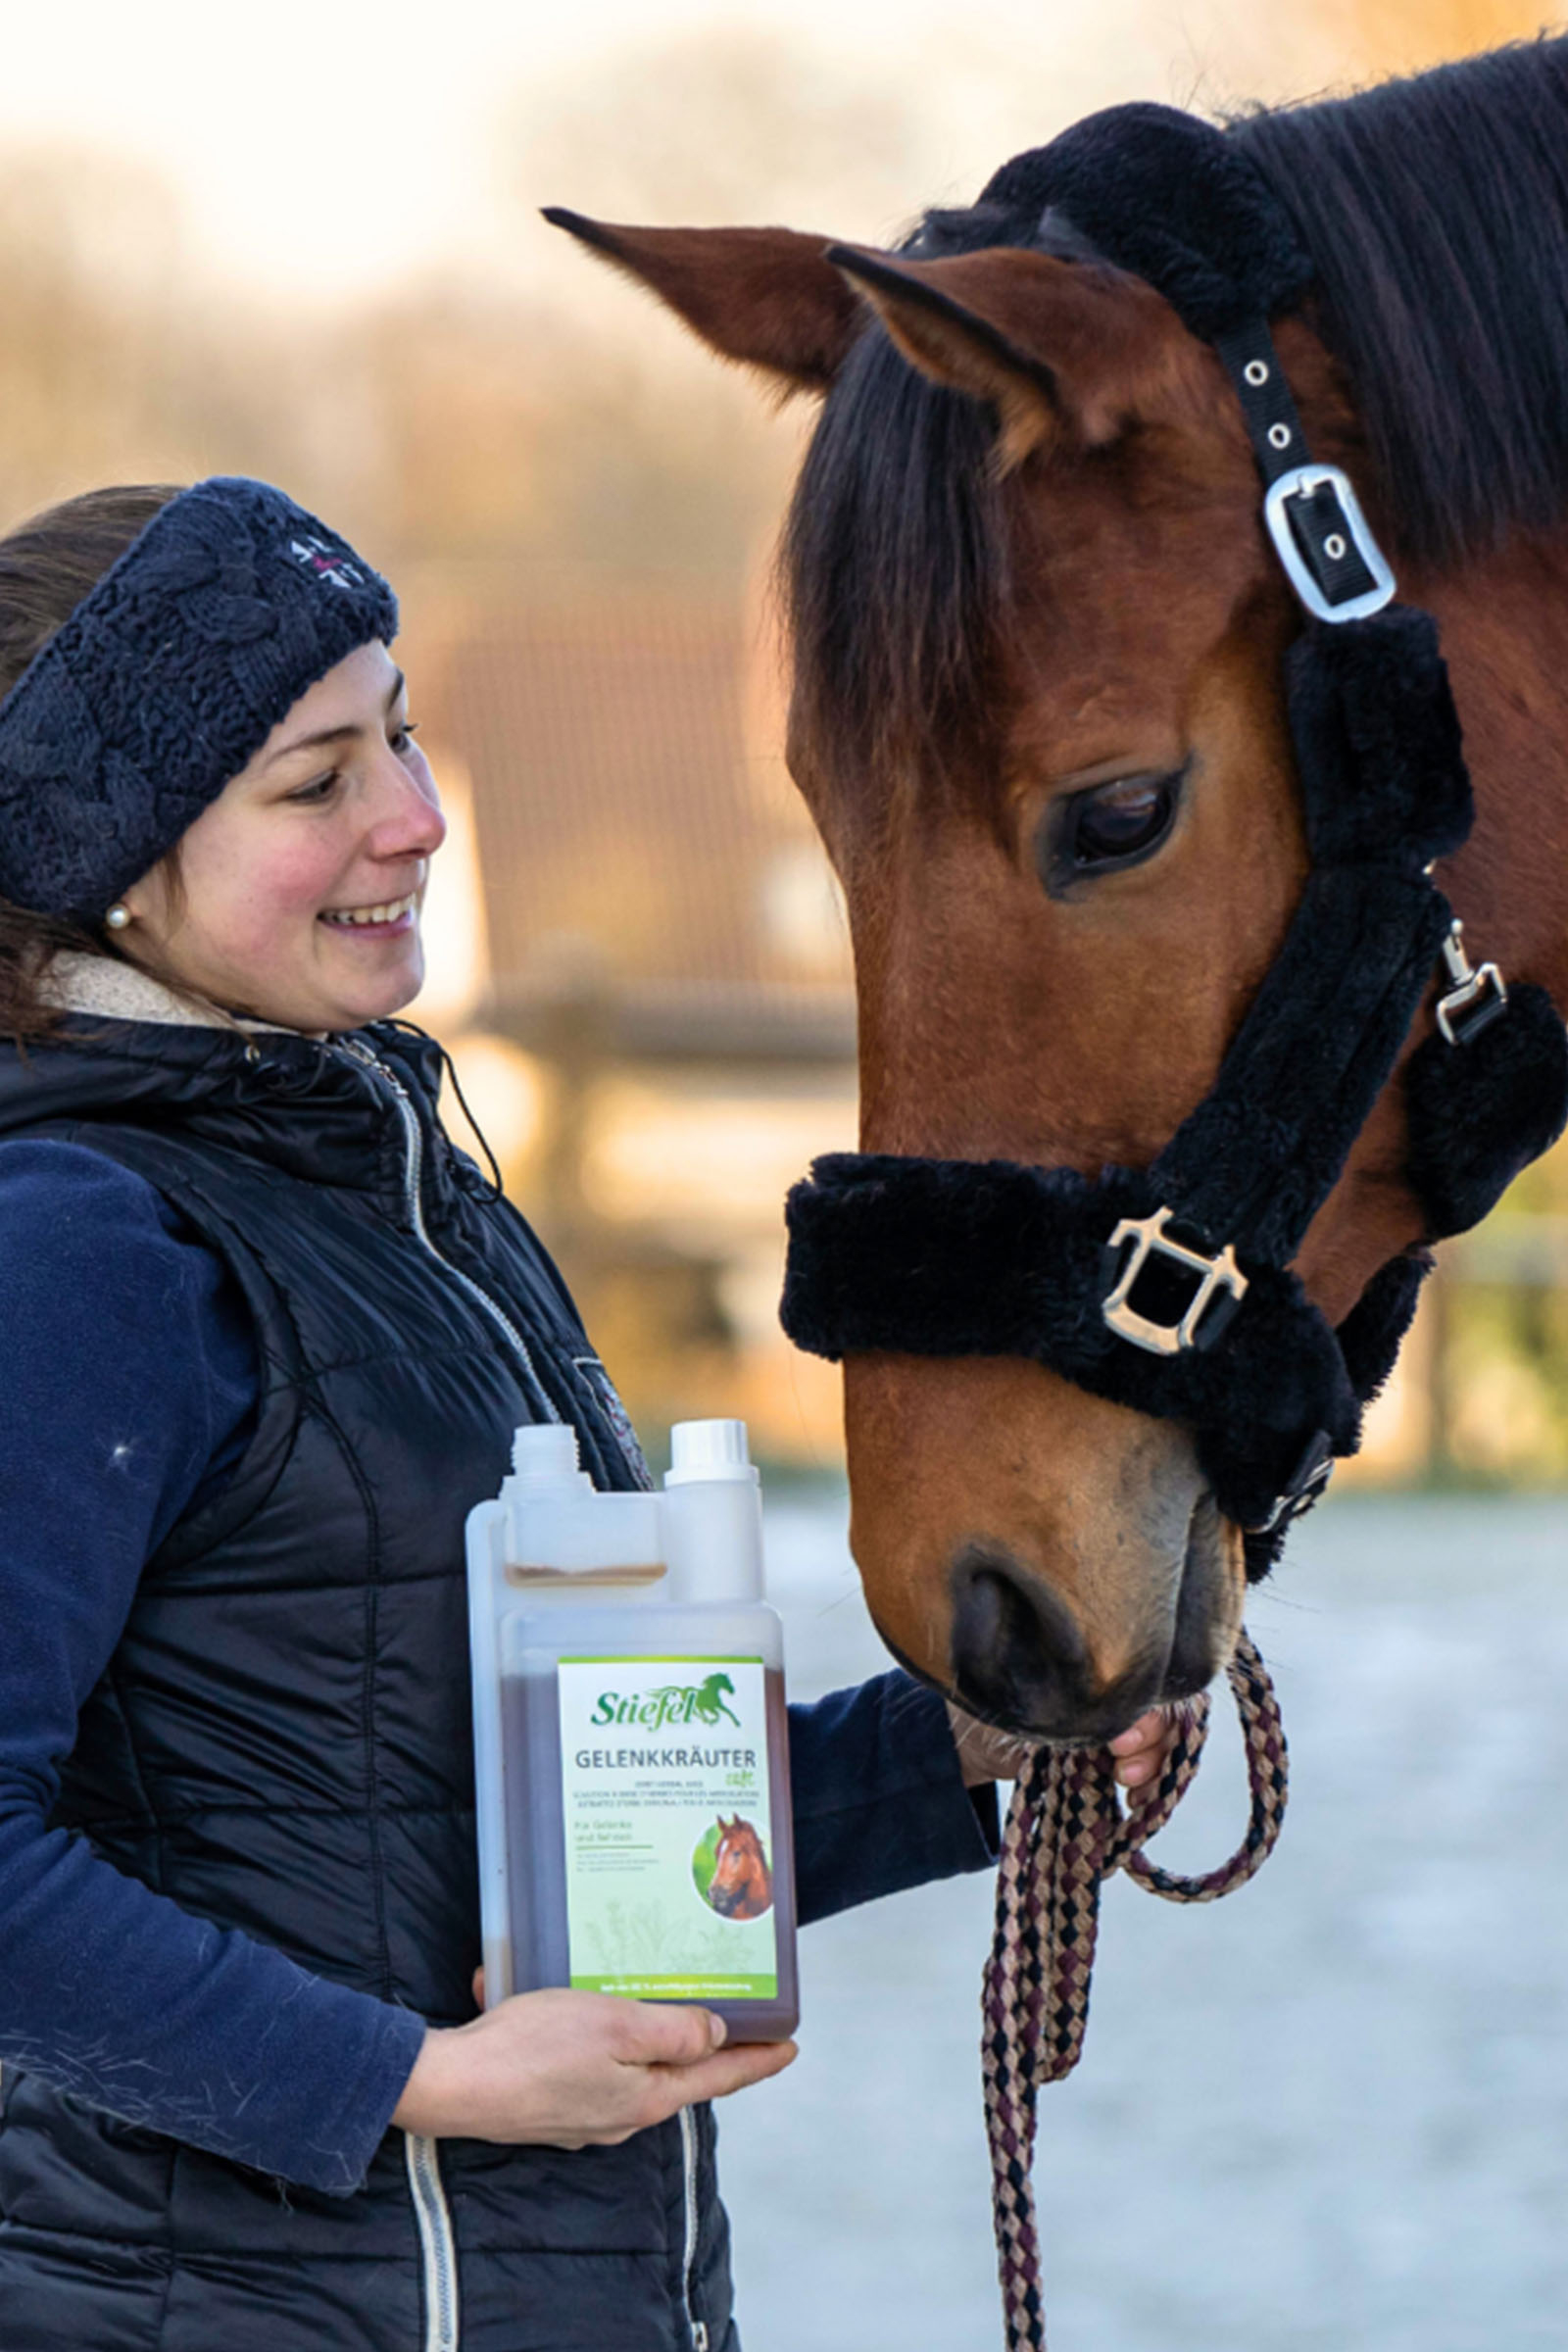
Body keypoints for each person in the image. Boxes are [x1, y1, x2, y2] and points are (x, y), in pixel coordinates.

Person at [0, 477, 1173, 2352]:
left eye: (397, 731)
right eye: (313, 783)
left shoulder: (399, 1197)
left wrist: (955, 1753)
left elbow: (539, 1804)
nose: (416, 815)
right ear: (116, 860)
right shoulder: (78, 1250)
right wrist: (424, 2082)